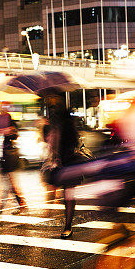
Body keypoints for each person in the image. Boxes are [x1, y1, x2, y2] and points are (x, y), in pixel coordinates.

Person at [42, 92, 79, 238]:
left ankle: (68, 226)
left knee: (68, 195)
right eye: (51, 98)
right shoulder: (52, 118)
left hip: (69, 160)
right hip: (57, 161)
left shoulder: (67, 120)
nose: (52, 100)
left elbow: (73, 140)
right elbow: (47, 140)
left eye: (55, 98)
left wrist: (58, 134)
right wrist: (47, 129)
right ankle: (65, 224)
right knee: (61, 192)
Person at [0, 102, 26, 213]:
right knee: (8, 181)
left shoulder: (11, 122)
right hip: (3, 154)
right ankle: (19, 202)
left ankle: (1, 207)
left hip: (9, 154)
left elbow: (15, 135)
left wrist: (9, 131)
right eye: (1, 107)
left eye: (4, 107)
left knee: (7, 180)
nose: (2, 109)